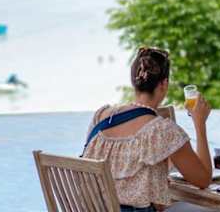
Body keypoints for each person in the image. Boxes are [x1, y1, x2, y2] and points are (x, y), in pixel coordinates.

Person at [82, 47, 212, 212]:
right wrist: (200, 123)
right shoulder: (162, 130)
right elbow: (203, 179)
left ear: (134, 82)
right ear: (164, 84)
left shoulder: (100, 116)